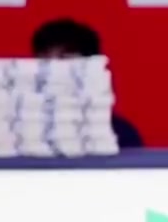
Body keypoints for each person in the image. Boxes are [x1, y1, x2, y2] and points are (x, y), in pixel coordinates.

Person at [31, 18, 145, 148]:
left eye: (64, 58)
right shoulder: (20, 130)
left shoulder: (117, 132)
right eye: (44, 59)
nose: (52, 67)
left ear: (90, 66)